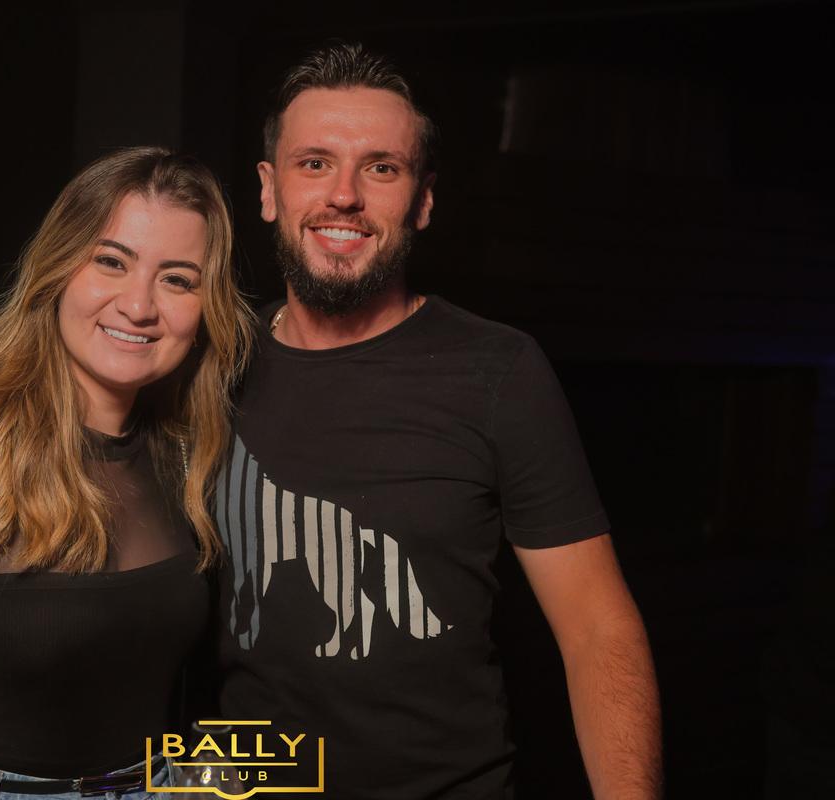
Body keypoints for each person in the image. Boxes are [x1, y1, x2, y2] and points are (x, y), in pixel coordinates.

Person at [213, 43, 662, 799]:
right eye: (314, 163)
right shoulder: (211, 366)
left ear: (422, 200)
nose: (344, 196)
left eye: (381, 168)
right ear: (268, 188)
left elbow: (597, 628)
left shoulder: (500, 371)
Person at [0, 146, 254, 800]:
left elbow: (196, 687)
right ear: (59, 267)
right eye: (112, 261)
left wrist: (217, 785)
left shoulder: (189, 451)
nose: (139, 305)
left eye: (178, 279)